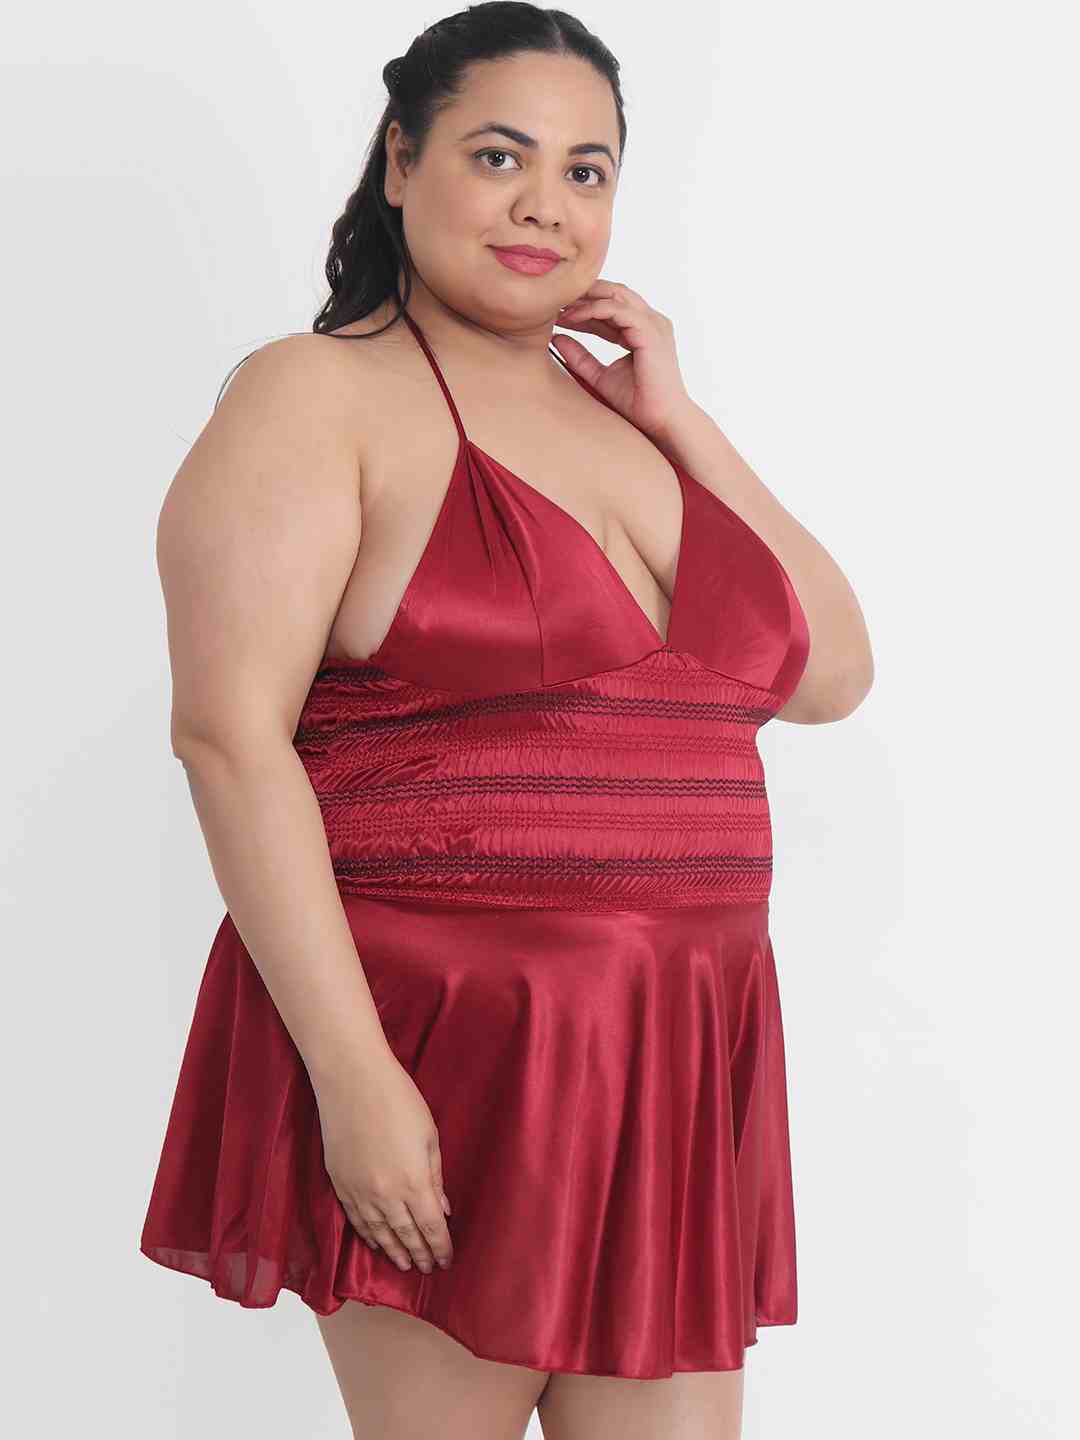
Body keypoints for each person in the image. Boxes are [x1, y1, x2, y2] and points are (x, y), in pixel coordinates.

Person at [139, 4, 874, 1437]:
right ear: (399, 160)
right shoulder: (316, 395)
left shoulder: (623, 420)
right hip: (451, 1040)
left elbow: (830, 672)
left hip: (675, 1046)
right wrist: (355, 1078)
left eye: (587, 171)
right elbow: (228, 738)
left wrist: (683, 418)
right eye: (499, 155)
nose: (547, 203)